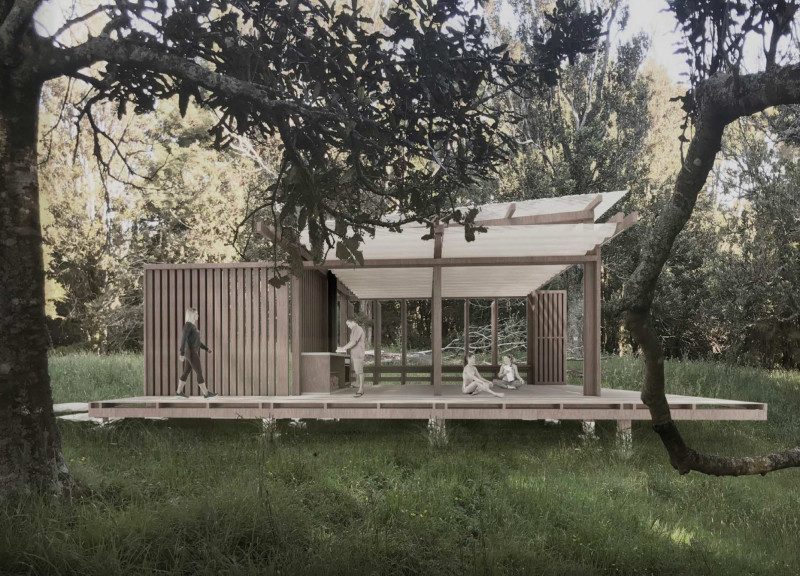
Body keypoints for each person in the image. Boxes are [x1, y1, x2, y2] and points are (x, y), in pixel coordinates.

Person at [176, 307, 217, 399]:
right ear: (191, 315)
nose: (198, 315)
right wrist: (181, 353)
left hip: (192, 351)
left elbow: (197, 342)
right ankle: (206, 393)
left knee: (186, 371)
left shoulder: (193, 326)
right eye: (196, 313)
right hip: (190, 352)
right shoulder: (188, 325)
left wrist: (206, 349)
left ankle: (179, 392)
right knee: (199, 371)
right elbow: (183, 339)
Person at [338, 319, 366, 397]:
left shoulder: (358, 329)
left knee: (359, 371)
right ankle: (357, 384)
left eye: (348, 324)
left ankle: (361, 389)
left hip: (358, 353)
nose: (348, 326)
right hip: (355, 353)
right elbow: (352, 342)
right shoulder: (354, 330)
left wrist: (343, 348)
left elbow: (353, 342)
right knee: (357, 371)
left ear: (353, 322)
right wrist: (343, 348)